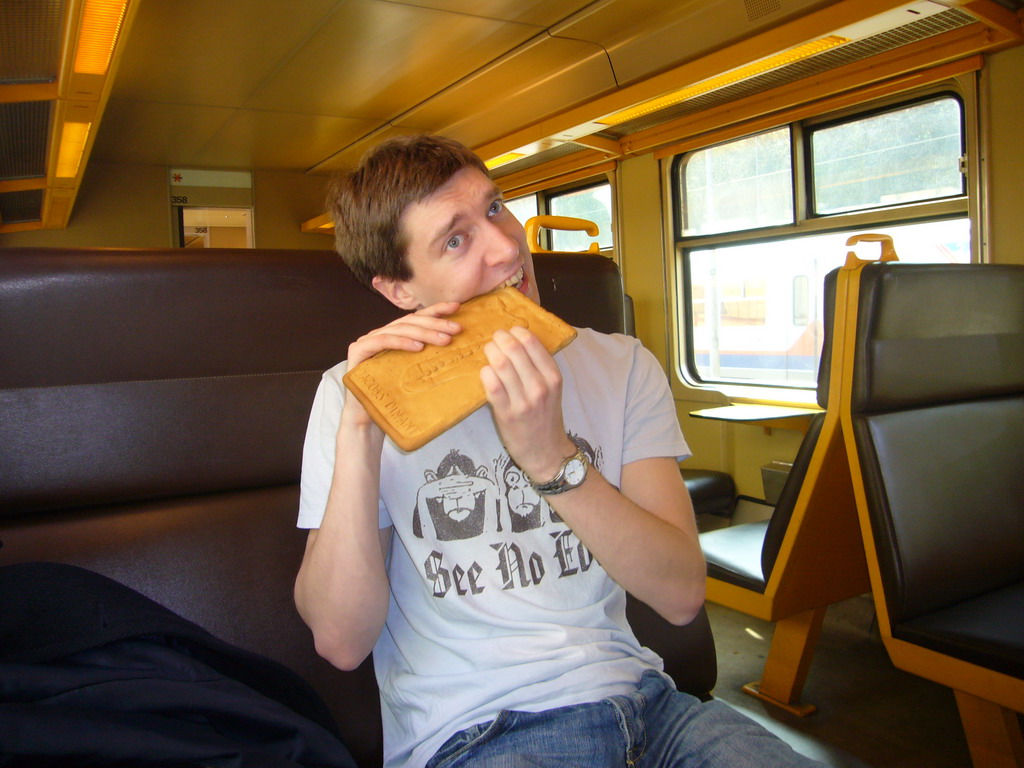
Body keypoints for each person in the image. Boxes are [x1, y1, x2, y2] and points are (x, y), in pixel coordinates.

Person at [294, 135, 824, 768]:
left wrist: (552, 459)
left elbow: (681, 594)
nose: (507, 247)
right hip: (481, 733)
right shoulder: (349, 397)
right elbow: (340, 641)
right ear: (399, 291)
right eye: (455, 240)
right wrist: (361, 432)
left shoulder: (623, 364)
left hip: (652, 706)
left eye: (494, 209)